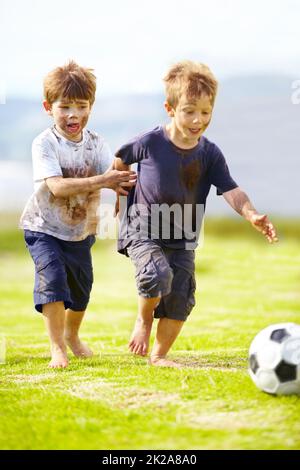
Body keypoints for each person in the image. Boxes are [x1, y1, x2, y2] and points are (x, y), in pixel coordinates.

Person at [114, 60, 278, 368]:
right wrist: (120, 189)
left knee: (180, 298)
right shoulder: (149, 142)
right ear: (171, 108)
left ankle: (159, 356)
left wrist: (252, 214)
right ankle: (143, 319)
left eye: (205, 112)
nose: (197, 119)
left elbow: (232, 191)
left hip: (184, 237)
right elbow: (121, 159)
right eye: (189, 110)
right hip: (144, 229)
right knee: (156, 274)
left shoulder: (209, 153)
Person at [19, 61, 136, 368]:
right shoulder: (44, 143)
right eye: (65, 107)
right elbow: (56, 187)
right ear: (48, 107)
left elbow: (114, 178)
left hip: (80, 232)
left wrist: (125, 186)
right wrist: (104, 181)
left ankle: (72, 335)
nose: (74, 115)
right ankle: (57, 347)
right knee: (54, 281)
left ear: (91, 107)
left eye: (81, 106)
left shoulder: (97, 144)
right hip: (43, 227)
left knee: (81, 291)